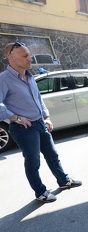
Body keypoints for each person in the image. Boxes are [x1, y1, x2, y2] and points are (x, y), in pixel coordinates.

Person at [0, 42, 82, 203]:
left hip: (40, 124)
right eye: (25, 56)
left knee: (53, 155)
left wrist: (46, 117)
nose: (30, 59)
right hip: (24, 128)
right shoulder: (4, 79)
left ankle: (63, 181)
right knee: (33, 162)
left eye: (29, 55)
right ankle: (40, 192)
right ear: (11, 57)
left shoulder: (29, 76)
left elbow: (38, 98)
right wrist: (15, 117)